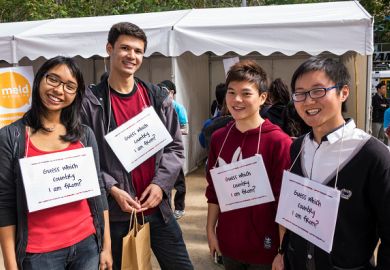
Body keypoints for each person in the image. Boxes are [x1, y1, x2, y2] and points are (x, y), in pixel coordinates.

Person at [81, 22, 193, 270]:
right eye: (125, 48)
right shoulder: (90, 104)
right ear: (109, 49)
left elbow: (175, 148)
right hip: (117, 214)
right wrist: (111, 188)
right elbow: (83, 158)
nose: (132, 56)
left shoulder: (157, 98)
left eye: (138, 51)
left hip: (158, 210)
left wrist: (161, 184)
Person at [273, 57, 390, 270]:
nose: (308, 101)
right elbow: (293, 212)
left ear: (343, 92)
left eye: (318, 90)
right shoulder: (298, 147)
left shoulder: (373, 155)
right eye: (300, 93)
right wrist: (282, 252)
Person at [0, 56, 112, 270]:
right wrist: (10, 264)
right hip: (39, 256)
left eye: (70, 86)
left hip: (87, 246)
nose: (60, 91)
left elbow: (97, 190)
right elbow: (5, 203)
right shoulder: (10, 137)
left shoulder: (84, 135)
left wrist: (106, 246)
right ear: (39, 79)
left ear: (76, 94)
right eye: (53, 79)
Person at [206, 60, 292, 270]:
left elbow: (284, 201)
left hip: (265, 249)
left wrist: (281, 251)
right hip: (229, 243)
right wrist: (210, 230)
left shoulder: (279, 142)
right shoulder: (219, 138)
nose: (236, 100)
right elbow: (214, 190)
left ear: (262, 98)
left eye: (246, 93)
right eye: (231, 92)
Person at [159, 79, 188, 219]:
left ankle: (180, 207)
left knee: (179, 182)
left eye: (165, 91)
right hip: (160, 152)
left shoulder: (178, 107)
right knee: (164, 182)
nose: (162, 94)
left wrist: (170, 132)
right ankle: (167, 208)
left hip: (173, 152)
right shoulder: (157, 105)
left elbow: (185, 129)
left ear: (172, 92)